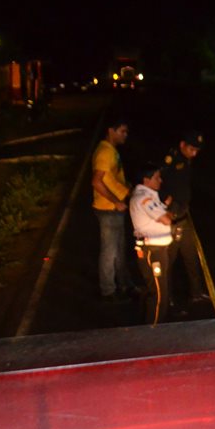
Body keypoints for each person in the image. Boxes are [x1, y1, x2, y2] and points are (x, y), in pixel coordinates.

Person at [162, 130, 209, 309]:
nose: (194, 154)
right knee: (169, 260)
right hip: (172, 219)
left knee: (191, 256)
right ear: (182, 145)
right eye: (191, 149)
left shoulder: (187, 160)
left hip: (184, 215)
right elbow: (158, 182)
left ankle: (196, 293)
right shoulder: (171, 160)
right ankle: (167, 298)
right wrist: (166, 201)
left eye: (197, 150)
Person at [92, 117, 134, 301]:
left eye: (126, 131)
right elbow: (96, 182)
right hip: (107, 209)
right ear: (111, 130)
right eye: (122, 131)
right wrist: (116, 201)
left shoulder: (111, 150)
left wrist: (125, 188)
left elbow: (110, 178)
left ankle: (124, 284)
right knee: (110, 252)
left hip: (114, 209)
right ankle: (108, 290)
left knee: (119, 249)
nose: (125, 135)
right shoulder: (105, 152)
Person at [130, 164, 175, 324]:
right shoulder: (145, 199)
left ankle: (149, 325)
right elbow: (166, 219)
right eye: (156, 177)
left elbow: (164, 213)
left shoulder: (148, 197)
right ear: (146, 180)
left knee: (155, 290)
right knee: (158, 294)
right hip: (153, 251)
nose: (160, 180)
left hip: (155, 249)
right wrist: (167, 212)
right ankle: (153, 331)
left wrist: (165, 209)